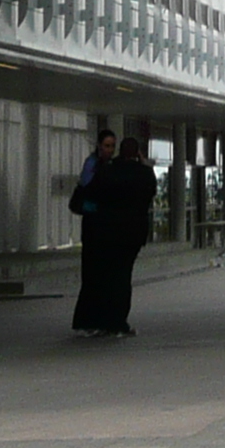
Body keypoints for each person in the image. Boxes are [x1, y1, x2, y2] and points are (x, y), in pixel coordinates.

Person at [74, 135, 158, 336]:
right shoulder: (145, 174)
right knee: (123, 276)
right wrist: (145, 164)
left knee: (105, 276)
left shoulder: (107, 171)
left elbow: (92, 194)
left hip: (106, 232)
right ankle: (118, 322)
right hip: (132, 235)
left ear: (119, 151)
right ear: (137, 153)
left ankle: (99, 320)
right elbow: (151, 194)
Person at [69, 128, 123, 335]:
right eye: (107, 146)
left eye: (112, 146)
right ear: (100, 146)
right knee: (92, 274)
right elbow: (86, 187)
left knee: (103, 275)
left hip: (103, 225)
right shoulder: (92, 165)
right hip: (94, 225)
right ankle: (87, 320)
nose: (110, 150)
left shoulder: (109, 166)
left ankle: (99, 319)